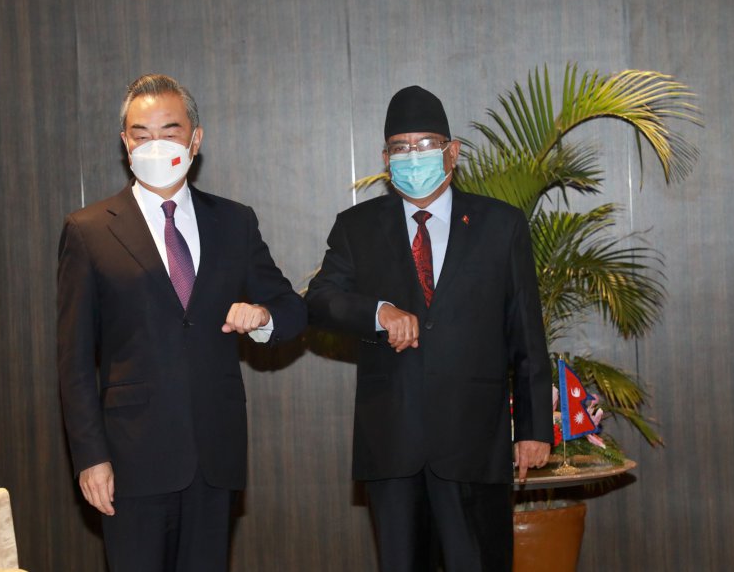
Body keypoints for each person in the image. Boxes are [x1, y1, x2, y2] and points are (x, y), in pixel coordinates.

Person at [57, 74, 306, 572]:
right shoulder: (88, 230)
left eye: (169, 131)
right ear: (125, 142)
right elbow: (74, 360)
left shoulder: (234, 221)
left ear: (195, 138)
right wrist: (90, 457)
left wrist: (262, 317)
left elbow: (292, 309)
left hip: (215, 455)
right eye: (141, 134)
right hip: (130, 459)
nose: (155, 144)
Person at [305, 85, 552, 572]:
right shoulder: (356, 226)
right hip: (393, 443)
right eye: (399, 148)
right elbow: (319, 301)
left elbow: (526, 334)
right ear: (385, 160)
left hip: (475, 444)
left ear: (452, 152)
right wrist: (378, 312)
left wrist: (533, 429)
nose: (411, 156)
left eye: (424, 145)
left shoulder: (501, 225)